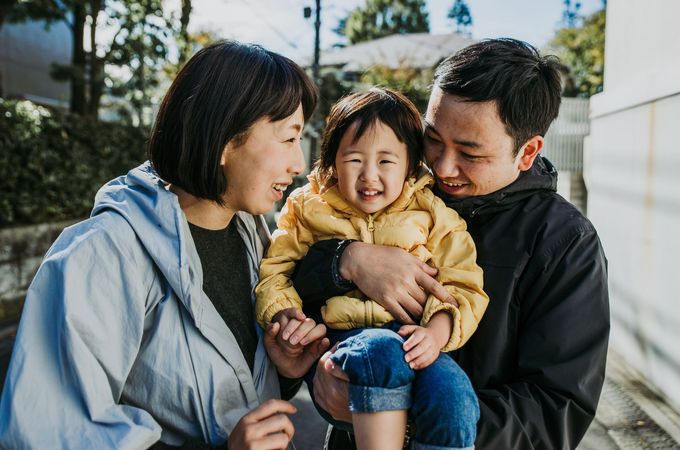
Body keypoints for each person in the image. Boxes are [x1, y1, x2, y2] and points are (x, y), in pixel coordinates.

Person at [0, 40, 330, 449]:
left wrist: (280, 372)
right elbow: (48, 433)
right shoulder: (102, 254)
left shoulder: (252, 235)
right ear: (227, 139)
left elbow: (223, 394)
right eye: (288, 139)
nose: (299, 164)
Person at [295, 38, 610, 449]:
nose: (443, 167)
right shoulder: (396, 190)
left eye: (469, 153)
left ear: (528, 151)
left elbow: (556, 410)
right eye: (433, 139)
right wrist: (345, 261)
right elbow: (295, 290)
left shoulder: (565, 243)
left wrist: (400, 416)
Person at [255, 88, 489, 450]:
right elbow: (276, 270)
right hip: (344, 341)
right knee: (379, 350)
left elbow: (463, 284)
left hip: (414, 342)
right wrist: (287, 315)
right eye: (354, 160)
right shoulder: (307, 206)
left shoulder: (432, 212)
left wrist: (436, 335)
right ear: (333, 161)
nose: (369, 176)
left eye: (385, 161)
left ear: (411, 164)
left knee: (455, 395)